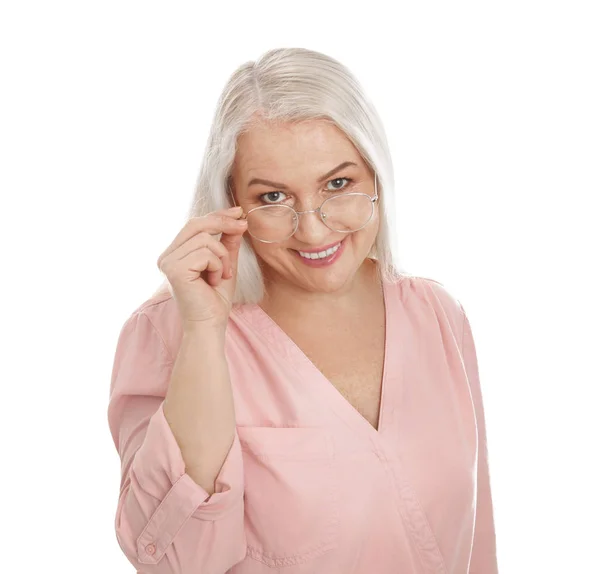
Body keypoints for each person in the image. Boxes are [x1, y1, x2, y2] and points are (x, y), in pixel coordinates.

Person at [107, 47, 498, 574]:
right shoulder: (167, 336)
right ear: (230, 201)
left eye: (338, 184)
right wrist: (203, 333)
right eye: (272, 197)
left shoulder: (436, 315)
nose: (313, 231)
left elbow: (478, 543)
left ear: (376, 175)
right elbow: (176, 562)